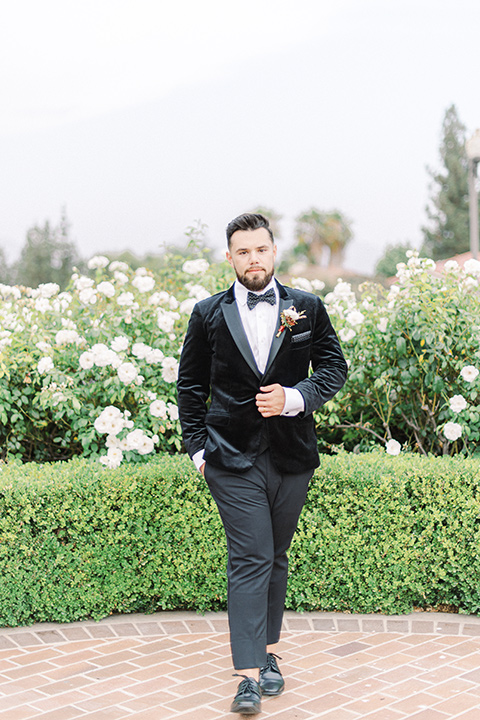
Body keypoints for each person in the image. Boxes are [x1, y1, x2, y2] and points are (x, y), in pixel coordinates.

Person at [177, 212, 347, 715]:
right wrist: (198, 451)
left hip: (293, 455)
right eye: (242, 251)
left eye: (261, 250)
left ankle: (268, 653)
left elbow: (334, 367)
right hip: (230, 458)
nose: (253, 259)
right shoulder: (208, 314)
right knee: (251, 556)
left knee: (275, 555)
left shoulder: (307, 309)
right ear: (229, 258)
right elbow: (189, 386)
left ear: (274, 253)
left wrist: (295, 397)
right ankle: (248, 675)